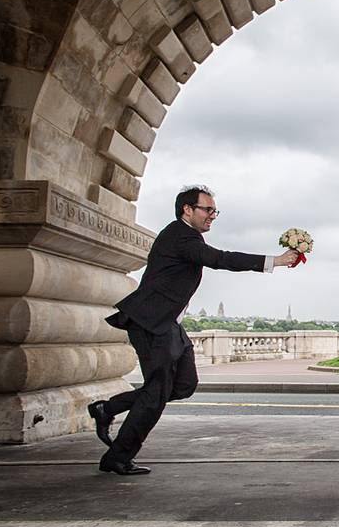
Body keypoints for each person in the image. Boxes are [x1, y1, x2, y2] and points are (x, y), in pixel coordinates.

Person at [87, 185, 302, 476]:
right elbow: (220, 259)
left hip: (168, 325)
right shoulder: (180, 236)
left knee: (184, 384)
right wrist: (273, 261)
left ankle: (108, 409)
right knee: (156, 394)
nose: (213, 215)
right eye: (208, 209)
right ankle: (118, 456)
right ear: (187, 209)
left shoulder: (188, 237)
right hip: (151, 323)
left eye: (215, 210)